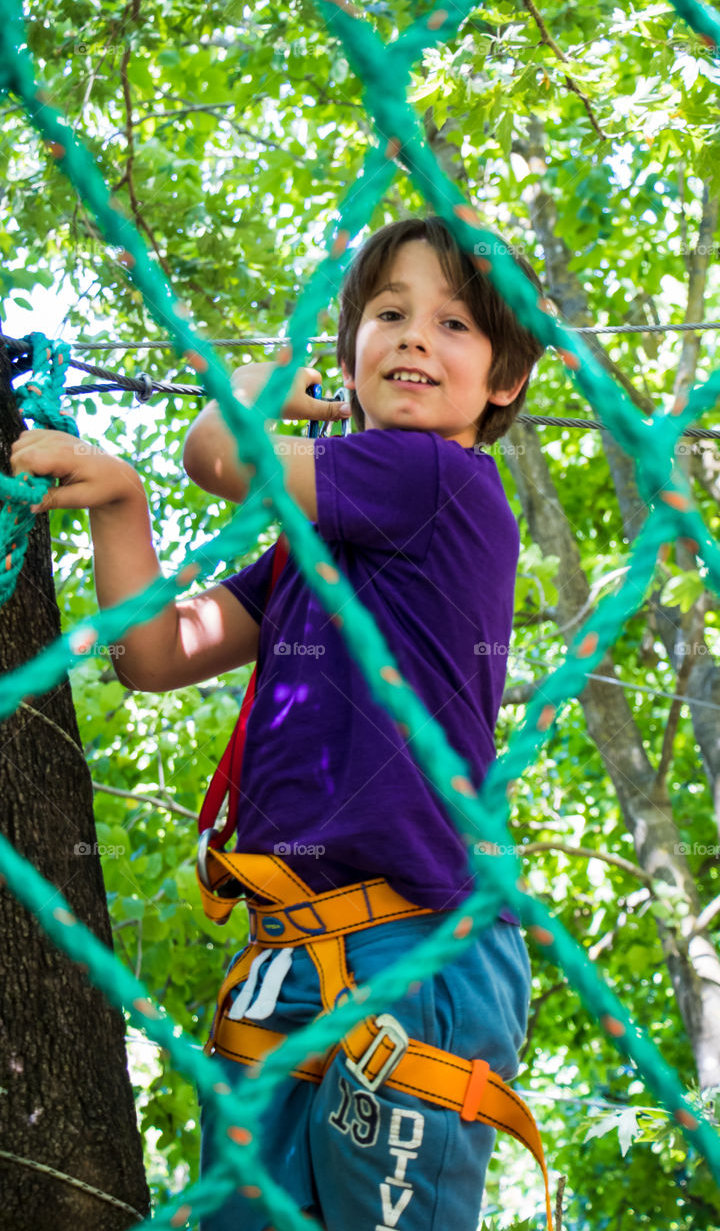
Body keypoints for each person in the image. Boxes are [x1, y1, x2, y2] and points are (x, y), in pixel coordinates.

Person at [10, 215, 546, 1231]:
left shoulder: (437, 479)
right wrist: (119, 502)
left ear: (505, 382)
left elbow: (218, 452)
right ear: (351, 356)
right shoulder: (319, 548)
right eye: (387, 314)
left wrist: (254, 385)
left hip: (413, 953)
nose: (413, 339)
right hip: (288, 957)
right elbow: (156, 653)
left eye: (455, 324)